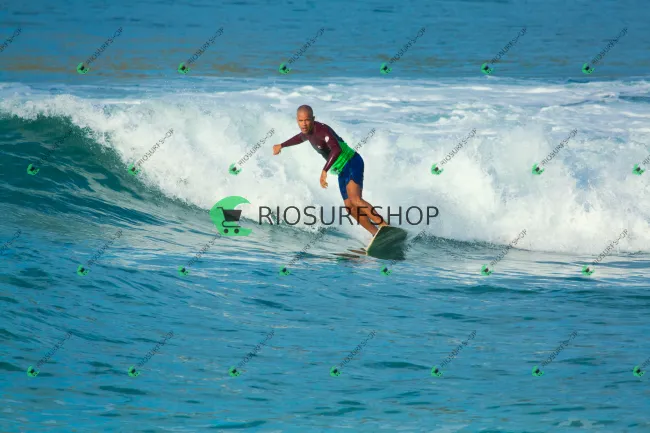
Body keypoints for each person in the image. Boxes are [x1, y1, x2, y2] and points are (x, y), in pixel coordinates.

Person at [272, 105, 388, 237]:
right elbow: (299, 138)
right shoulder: (307, 132)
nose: (304, 124)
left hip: (351, 161)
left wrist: (324, 171)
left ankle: (385, 226)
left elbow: (336, 149)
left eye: (307, 120)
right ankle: (375, 234)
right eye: (301, 120)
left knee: (355, 199)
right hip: (341, 170)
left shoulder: (322, 130)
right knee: (349, 207)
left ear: (313, 119)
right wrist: (281, 145)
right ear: (297, 120)